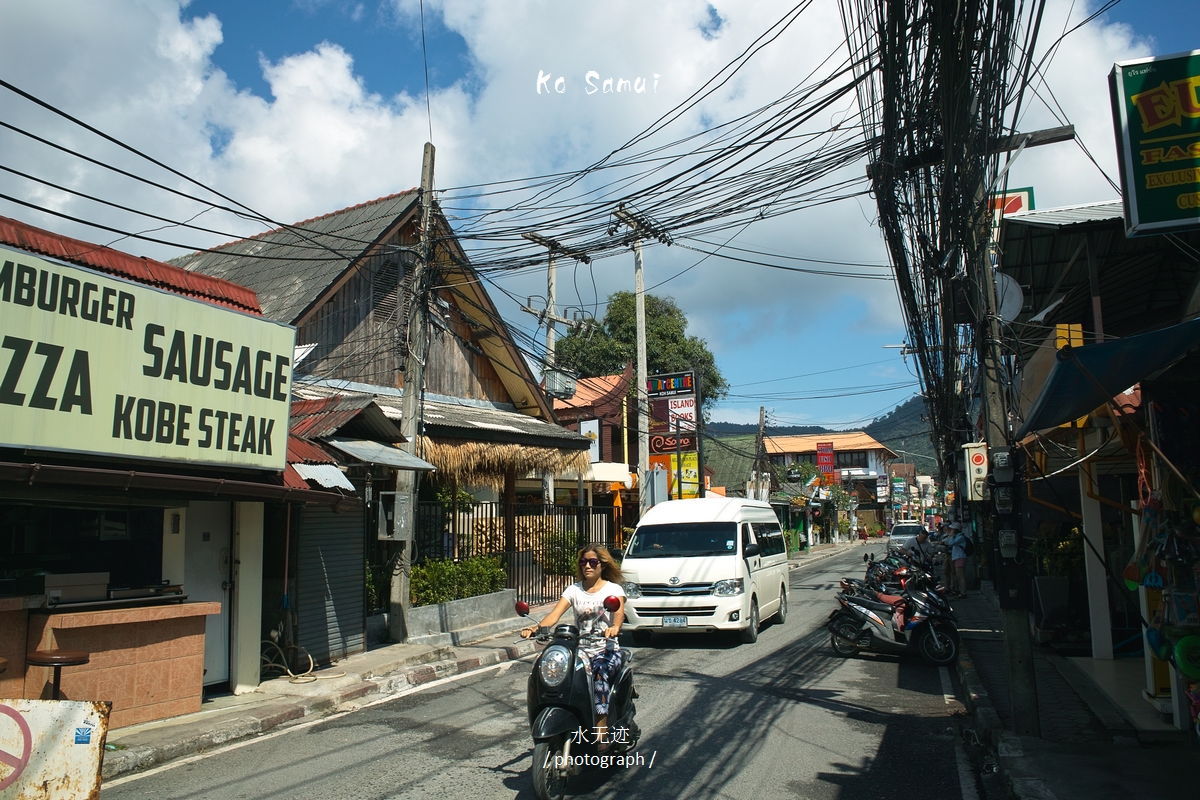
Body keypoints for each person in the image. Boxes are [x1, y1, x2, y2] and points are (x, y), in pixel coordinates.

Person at [521, 545, 626, 748]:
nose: (587, 566)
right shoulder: (574, 590)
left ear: (602, 565)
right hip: (580, 652)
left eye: (592, 562)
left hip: (607, 650)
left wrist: (614, 627)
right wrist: (535, 628)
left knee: (599, 674)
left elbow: (618, 615)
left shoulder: (613, 590)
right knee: (548, 670)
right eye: (583, 562)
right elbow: (554, 615)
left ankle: (601, 731)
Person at [946, 525, 970, 597]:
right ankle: (961, 591)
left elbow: (950, 543)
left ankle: (963, 593)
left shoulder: (960, 537)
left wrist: (952, 535)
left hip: (960, 557)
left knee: (960, 576)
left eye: (952, 529)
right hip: (957, 558)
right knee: (958, 576)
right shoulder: (957, 537)